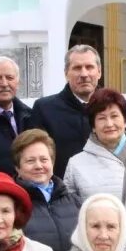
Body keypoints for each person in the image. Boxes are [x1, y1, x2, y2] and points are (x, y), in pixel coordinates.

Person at [64, 88, 126, 251]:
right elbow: (69, 215)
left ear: (125, 121)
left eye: (114, 116)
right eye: (101, 118)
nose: (109, 124)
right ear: (93, 126)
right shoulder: (76, 164)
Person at [26, 45, 100, 177]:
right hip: (61, 186)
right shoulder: (45, 109)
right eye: (77, 68)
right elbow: (35, 154)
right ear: (66, 73)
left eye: (89, 67)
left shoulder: (112, 107)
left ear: (99, 72)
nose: (84, 74)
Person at [12, 128, 80, 251]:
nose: (38, 166)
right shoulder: (12, 206)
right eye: (30, 161)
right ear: (17, 168)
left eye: (44, 159)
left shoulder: (76, 203)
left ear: (52, 163)